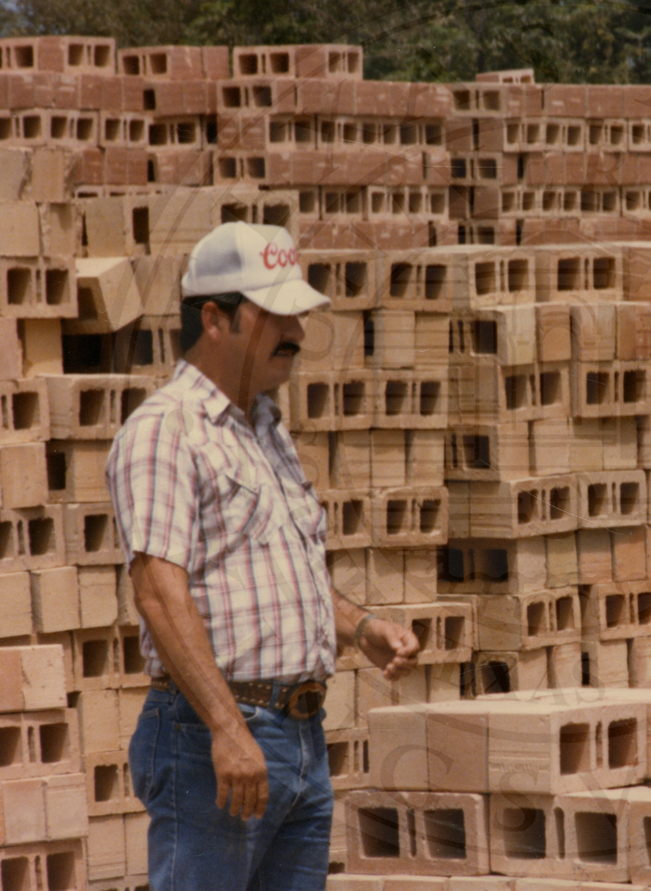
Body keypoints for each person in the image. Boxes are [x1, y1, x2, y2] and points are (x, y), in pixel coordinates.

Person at [106, 221, 422, 890]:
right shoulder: (166, 430)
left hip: (299, 737)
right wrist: (226, 727)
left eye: (298, 315)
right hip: (213, 738)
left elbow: (280, 572)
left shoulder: (264, 428)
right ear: (214, 319)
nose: (297, 332)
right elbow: (158, 589)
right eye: (275, 315)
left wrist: (361, 627)